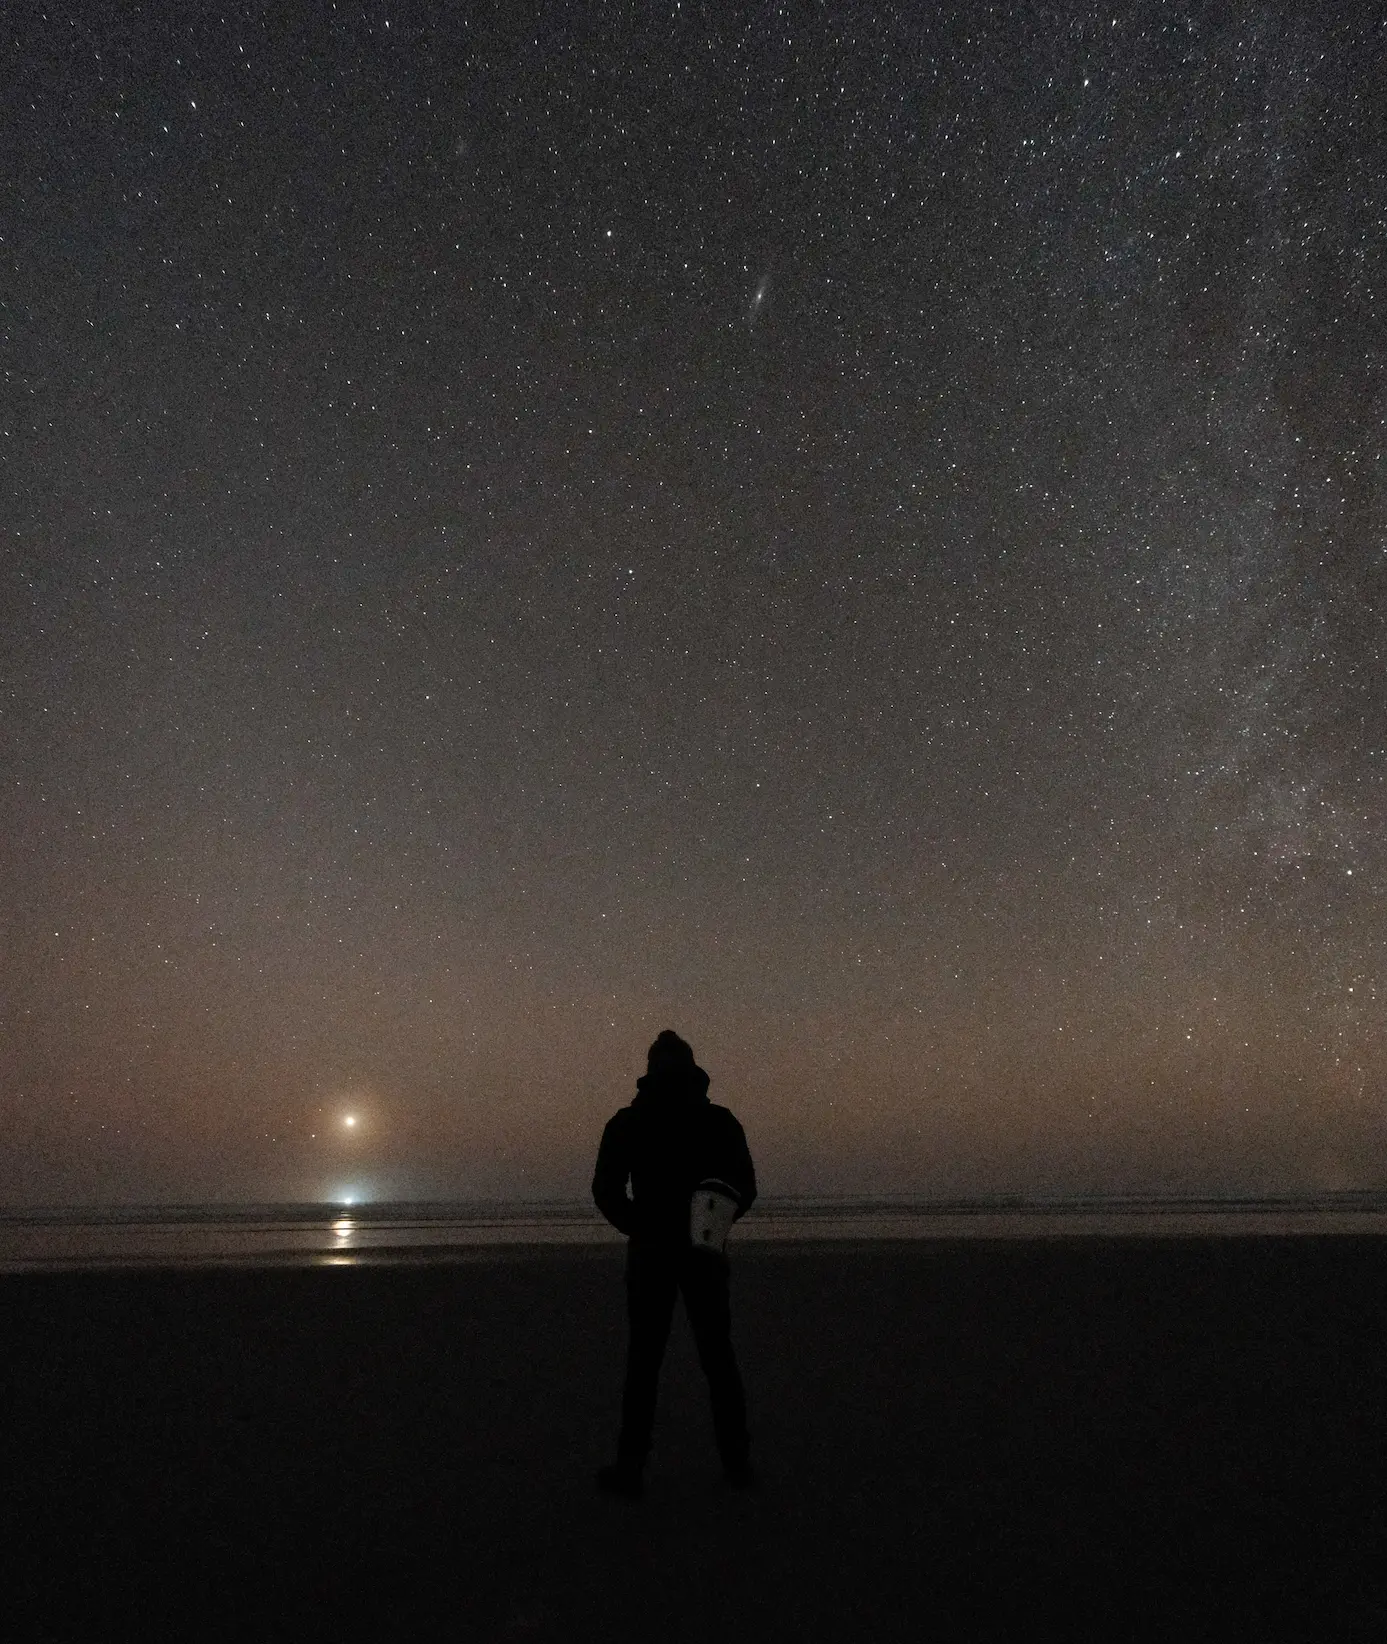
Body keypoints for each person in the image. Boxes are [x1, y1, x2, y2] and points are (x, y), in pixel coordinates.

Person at [591, 1029, 757, 1498]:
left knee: (650, 1361)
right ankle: (735, 1464)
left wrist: (640, 1226)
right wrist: (711, 1226)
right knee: (713, 1359)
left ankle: (631, 1468)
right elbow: (743, 1187)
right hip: (695, 1251)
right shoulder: (716, 1121)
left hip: (661, 1252)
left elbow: (606, 1192)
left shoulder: (629, 1122)